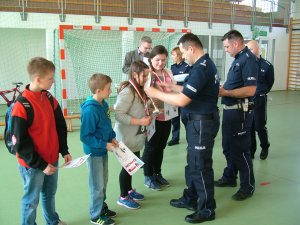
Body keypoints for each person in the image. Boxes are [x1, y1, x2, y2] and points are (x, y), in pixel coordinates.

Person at [144, 33, 220, 223]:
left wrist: (155, 92)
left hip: (201, 124)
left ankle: (206, 209)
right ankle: (191, 198)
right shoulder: (202, 65)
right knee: (193, 163)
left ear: (191, 49)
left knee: (200, 166)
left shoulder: (202, 68)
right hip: (197, 124)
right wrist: (170, 87)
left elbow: (182, 100)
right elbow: (187, 89)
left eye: (183, 52)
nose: (183, 56)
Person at [11, 57, 72, 225]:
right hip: (33, 165)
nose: (53, 81)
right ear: (38, 79)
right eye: (50, 78)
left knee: (49, 194)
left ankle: (52, 220)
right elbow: (20, 143)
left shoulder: (49, 98)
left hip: (52, 158)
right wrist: (41, 164)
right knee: (31, 200)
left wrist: (64, 150)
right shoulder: (21, 106)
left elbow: (60, 125)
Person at [215, 30, 258, 201]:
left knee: (240, 150)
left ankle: (248, 186)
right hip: (230, 111)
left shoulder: (248, 60)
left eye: (226, 46)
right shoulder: (238, 59)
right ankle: (230, 176)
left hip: (240, 112)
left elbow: (250, 89)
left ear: (235, 43)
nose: (225, 50)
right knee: (228, 146)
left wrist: (226, 91)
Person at [80, 73, 118, 225]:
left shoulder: (104, 104)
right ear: (98, 91)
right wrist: (104, 144)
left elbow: (107, 126)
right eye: (108, 89)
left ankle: (101, 206)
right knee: (97, 184)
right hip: (94, 151)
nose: (111, 91)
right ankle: (95, 216)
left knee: (104, 181)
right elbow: (85, 136)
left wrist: (112, 137)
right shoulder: (90, 110)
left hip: (103, 149)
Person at [114, 60, 152, 209]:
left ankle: (129, 190)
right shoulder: (127, 91)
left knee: (133, 166)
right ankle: (123, 197)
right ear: (135, 75)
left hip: (135, 136)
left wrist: (150, 105)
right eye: (144, 76)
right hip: (124, 138)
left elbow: (138, 107)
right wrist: (140, 121)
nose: (146, 79)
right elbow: (119, 115)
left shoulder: (139, 90)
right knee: (127, 167)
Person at [142, 45, 175, 190]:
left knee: (161, 147)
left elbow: (173, 89)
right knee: (150, 148)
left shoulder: (168, 72)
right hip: (152, 118)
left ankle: (157, 173)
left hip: (167, 116)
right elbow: (142, 95)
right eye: (157, 60)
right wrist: (150, 102)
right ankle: (148, 177)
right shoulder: (147, 74)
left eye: (163, 60)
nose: (161, 63)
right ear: (151, 59)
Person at [246, 40, 275, 160]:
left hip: (259, 99)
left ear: (258, 49)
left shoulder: (267, 66)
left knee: (259, 126)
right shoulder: (246, 64)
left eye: (251, 49)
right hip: (247, 99)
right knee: (249, 126)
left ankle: (265, 147)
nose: (249, 52)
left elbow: (269, 83)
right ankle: (251, 149)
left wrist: (261, 92)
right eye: (247, 50)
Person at [167, 46, 191, 146]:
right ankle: (175, 138)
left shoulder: (187, 67)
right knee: (174, 119)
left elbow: (187, 81)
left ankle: (190, 139)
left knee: (185, 118)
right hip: (174, 97)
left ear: (179, 55)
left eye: (174, 54)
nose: (172, 56)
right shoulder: (172, 67)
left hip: (183, 96)